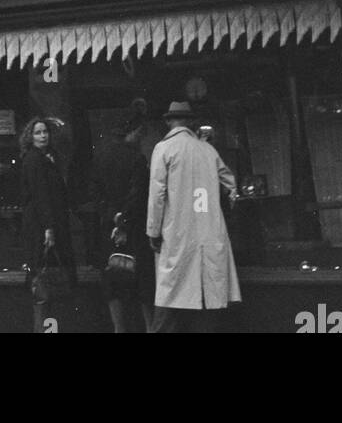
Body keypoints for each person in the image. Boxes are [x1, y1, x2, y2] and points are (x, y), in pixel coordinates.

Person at [146, 100, 241, 333]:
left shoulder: (164, 149)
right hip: (209, 233)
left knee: (169, 298)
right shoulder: (208, 150)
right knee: (206, 300)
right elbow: (230, 185)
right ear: (190, 122)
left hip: (176, 233)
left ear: (169, 122)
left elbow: (157, 195)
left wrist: (153, 232)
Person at [92, 104, 156, 332]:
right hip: (134, 228)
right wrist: (125, 221)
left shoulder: (101, 156)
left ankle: (119, 329)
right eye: (141, 131)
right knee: (144, 283)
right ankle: (150, 328)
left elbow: (97, 194)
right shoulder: (137, 158)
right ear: (133, 130)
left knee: (114, 282)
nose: (142, 136)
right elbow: (139, 194)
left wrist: (114, 218)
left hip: (110, 229)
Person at [19, 116, 74, 329]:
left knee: (46, 281)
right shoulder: (34, 160)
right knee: (41, 281)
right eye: (38, 133)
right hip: (41, 228)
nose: (43, 136)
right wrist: (48, 228)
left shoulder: (47, 158)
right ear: (30, 137)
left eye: (45, 132)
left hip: (47, 225)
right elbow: (41, 195)